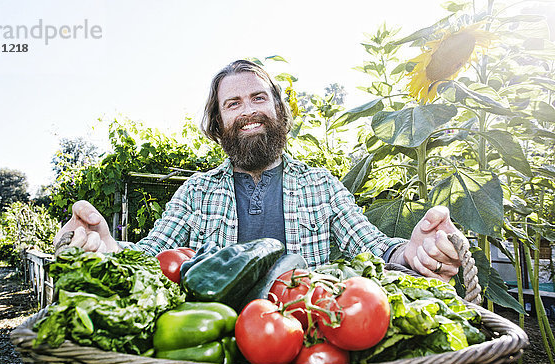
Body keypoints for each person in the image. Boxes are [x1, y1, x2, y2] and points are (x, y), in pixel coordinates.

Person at [54, 59, 464, 282]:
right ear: (217, 124)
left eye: (258, 98)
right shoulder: (196, 192)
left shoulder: (322, 185)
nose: (248, 110)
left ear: (279, 110)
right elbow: (150, 256)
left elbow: (370, 244)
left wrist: (408, 254)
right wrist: (107, 249)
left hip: (306, 338)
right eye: (233, 104)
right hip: (216, 349)